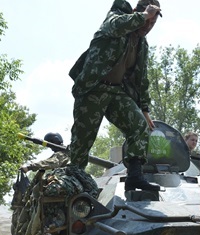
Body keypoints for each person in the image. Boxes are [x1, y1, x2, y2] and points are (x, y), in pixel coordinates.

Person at [68, 0, 163, 191]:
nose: (148, 26)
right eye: (147, 21)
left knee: (139, 127)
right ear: (136, 12)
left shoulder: (142, 45)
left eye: (153, 23)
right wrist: (143, 16)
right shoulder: (115, 19)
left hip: (116, 92)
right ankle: (74, 189)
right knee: (82, 143)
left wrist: (144, 109)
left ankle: (135, 176)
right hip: (93, 90)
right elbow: (115, 26)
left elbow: (141, 79)